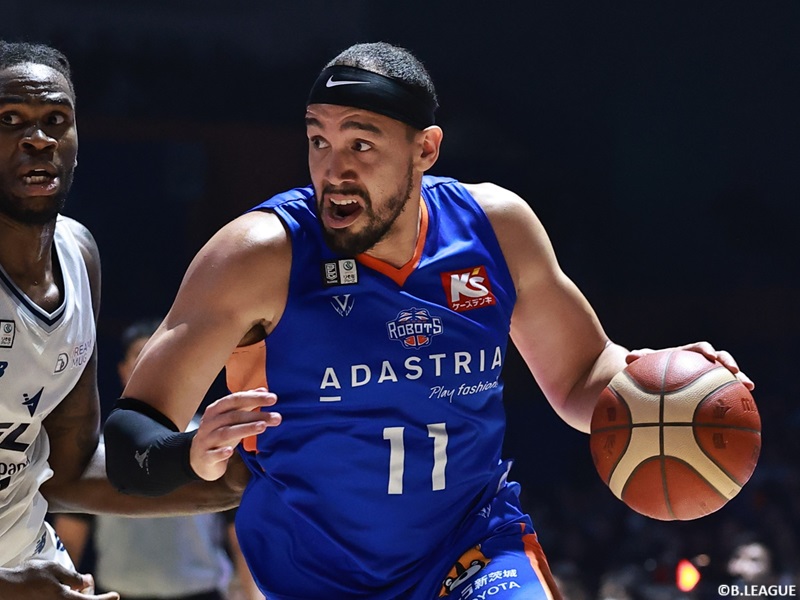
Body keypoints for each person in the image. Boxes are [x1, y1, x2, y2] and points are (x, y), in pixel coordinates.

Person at [103, 42, 754, 599]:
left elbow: (585, 373)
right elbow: (132, 440)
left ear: (426, 149)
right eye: (319, 140)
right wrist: (188, 453)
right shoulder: (257, 255)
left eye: (361, 143)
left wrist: (661, 381)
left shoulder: (496, 229)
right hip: (315, 576)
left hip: (469, 547)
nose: (334, 169)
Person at [0, 40, 250, 600]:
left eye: (55, 119)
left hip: (36, 565)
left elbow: (69, 471)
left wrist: (218, 473)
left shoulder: (77, 254)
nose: (38, 137)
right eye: (10, 119)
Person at [54, 318, 264, 600]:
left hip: (201, 592)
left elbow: (241, 536)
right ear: (123, 370)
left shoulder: (213, 436)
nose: (148, 366)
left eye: (158, 358)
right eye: (139, 357)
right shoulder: (98, 448)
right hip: (120, 592)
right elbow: (68, 538)